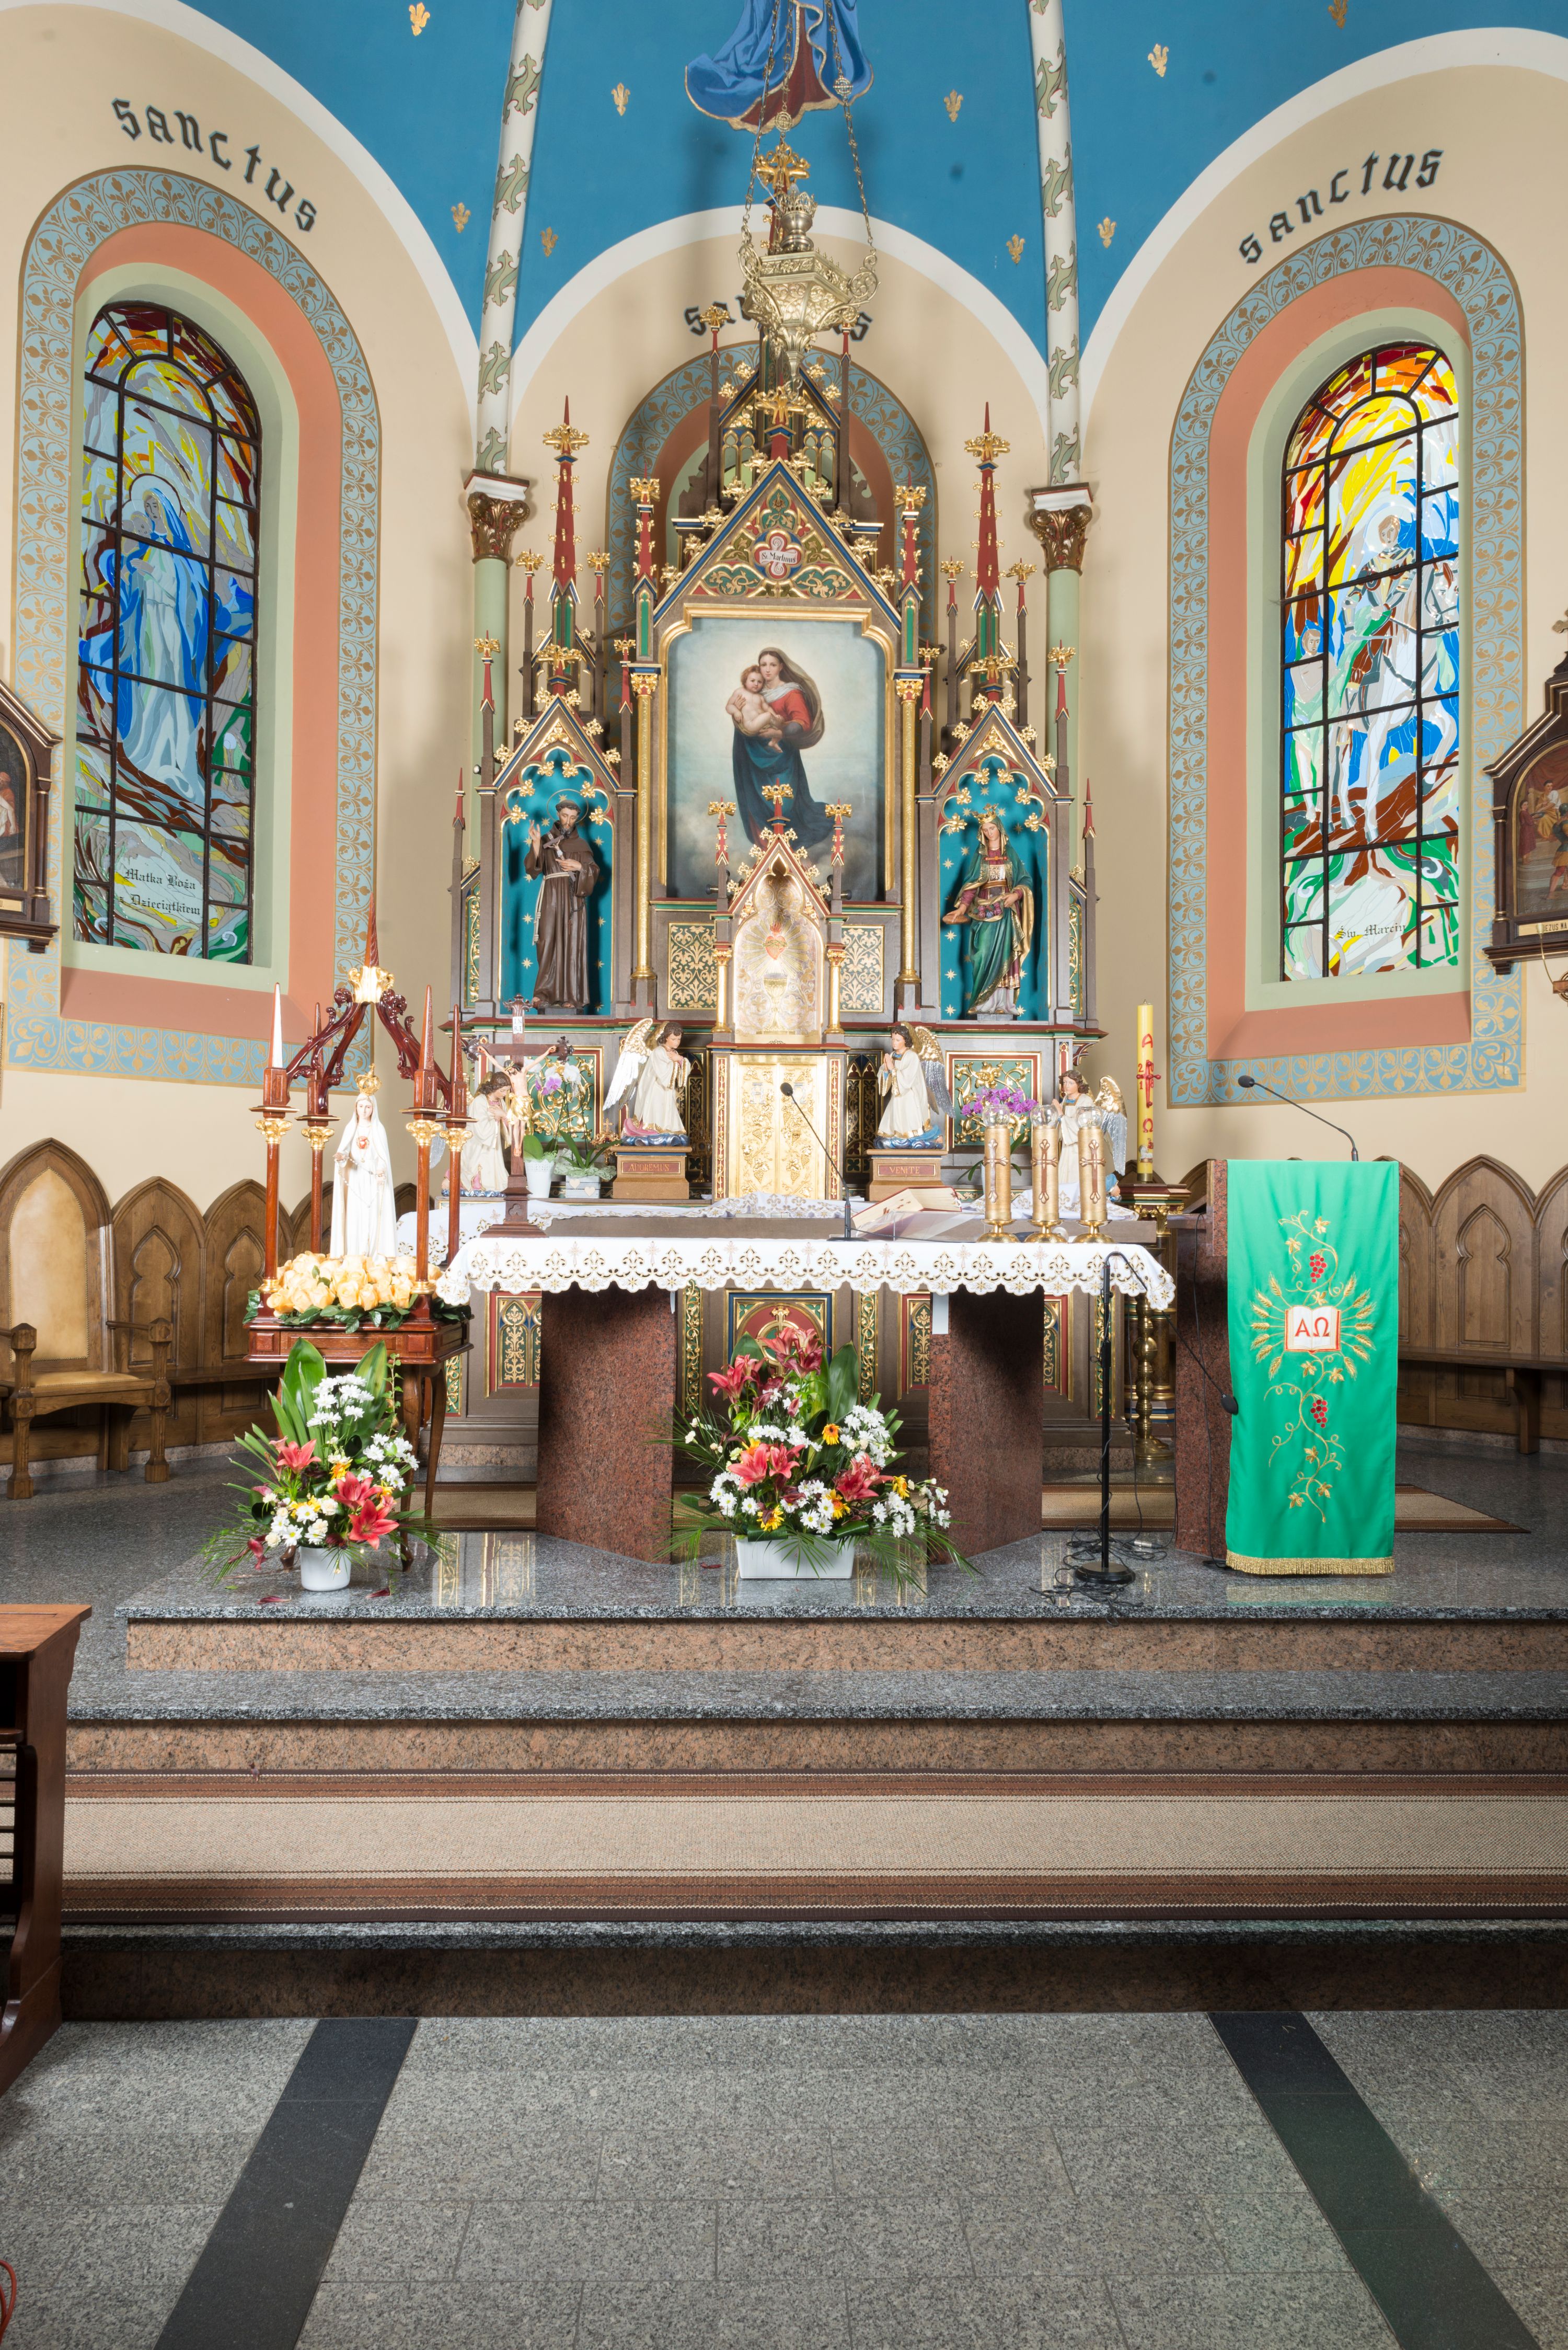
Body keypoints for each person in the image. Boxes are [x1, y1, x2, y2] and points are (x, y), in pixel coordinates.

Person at [730, 646, 833, 852]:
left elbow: (803, 722)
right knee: (756, 803)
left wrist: (780, 732)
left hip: (781, 758)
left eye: (773, 665)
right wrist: (738, 714)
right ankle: (768, 851)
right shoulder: (753, 691)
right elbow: (740, 714)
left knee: (784, 805)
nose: (767, 670)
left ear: (781, 667)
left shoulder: (791, 692)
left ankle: (792, 852)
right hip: (752, 758)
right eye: (763, 665)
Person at [941, 810, 1034, 1017]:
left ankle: (1005, 1004)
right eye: (985, 830)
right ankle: (984, 1002)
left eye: (992, 828)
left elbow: (1025, 880)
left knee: (1006, 955)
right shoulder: (980, 856)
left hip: (1006, 912)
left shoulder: (1011, 854)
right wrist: (962, 908)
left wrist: (1016, 895)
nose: (989, 833)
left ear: (999, 828)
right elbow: (972, 885)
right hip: (983, 912)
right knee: (983, 954)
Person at [525, 800, 600, 1010]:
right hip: (551, 897)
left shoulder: (582, 845)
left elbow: (594, 871)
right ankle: (543, 994)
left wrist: (579, 866)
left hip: (573, 900)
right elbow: (532, 870)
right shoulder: (546, 840)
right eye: (565, 816)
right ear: (558, 815)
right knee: (547, 941)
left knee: (572, 944)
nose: (568, 822)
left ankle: (571, 997)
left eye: (573, 818)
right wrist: (536, 844)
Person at [329, 1087, 397, 1258]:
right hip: (355, 1179)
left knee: (373, 1215)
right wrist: (341, 1157)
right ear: (356, 1107)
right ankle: (354, 1254)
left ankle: (373, 1254)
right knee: (355, 1215)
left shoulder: (379, 1129)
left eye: (368, 1107)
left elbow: (383, 1156)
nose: (364, 1110)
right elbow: (345, 1151)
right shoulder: (351, 1128)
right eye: (361, 1106)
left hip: (373, 1179)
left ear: (374, 1108)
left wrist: (381, 1169)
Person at [604, 1021, 690, 1141]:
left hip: (667, 1091)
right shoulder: (659, 1051)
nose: (677, 1042)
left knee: (667, 1114)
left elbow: (680, 1072)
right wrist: (678, 1061)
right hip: (656, 1090)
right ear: (666, 1037)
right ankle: (652, 1131)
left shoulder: (674, 1053)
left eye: (679, 1039)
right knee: (657, 1115)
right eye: (673, 1039)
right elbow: (664, 1073)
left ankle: (666, 1131)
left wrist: (680, 1059)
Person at [876, 1023, 950, 1145]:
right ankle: (899, 1141)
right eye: (893, 1039)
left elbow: (907, 1081)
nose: (894, 1043)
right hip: (897, 1097)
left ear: (905, 1041)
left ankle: (935, 1135)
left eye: (898, 1040)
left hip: (908, 1098)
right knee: (891, 1131)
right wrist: (886, 1071)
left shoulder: (912, 1056)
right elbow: (885, 1074)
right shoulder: (893, 1055)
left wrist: (892, 1069)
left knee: (911, 1132)